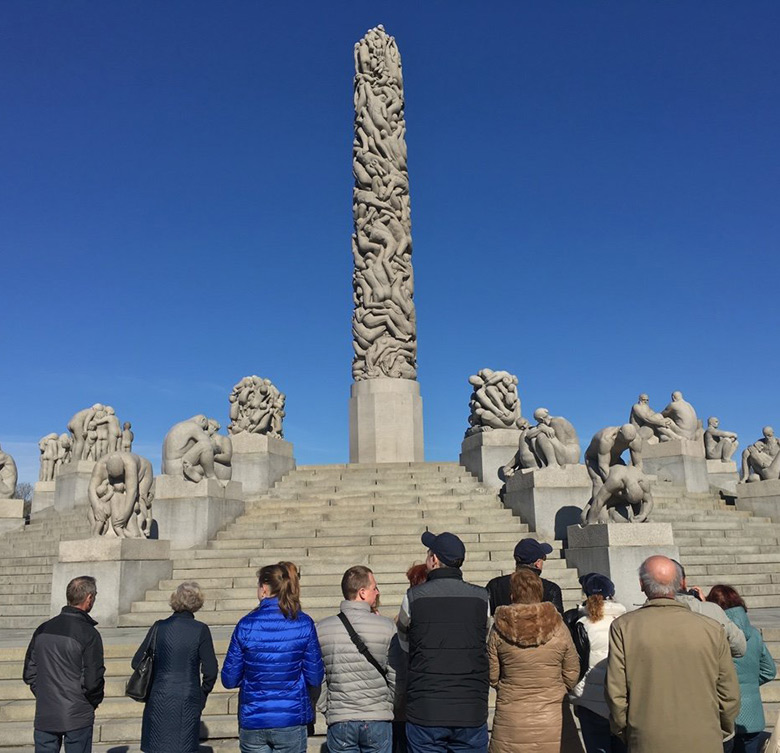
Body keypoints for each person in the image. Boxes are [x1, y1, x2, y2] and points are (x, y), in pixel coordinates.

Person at [606, 555, 740, 752]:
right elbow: (729, 695)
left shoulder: (624, 628)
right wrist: (719, 730)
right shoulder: (711, 629)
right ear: (681, 583)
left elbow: (616, 694)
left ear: (641, 584)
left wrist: (629, 733)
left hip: (647, 738)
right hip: (704, 738)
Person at [397, 532, 490, 753]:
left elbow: (404, 642)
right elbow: (483, 638)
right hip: (470, 708)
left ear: (434, 559)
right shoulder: (481, 598)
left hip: (426, 708)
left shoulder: (414, 597)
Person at [222, 562, 324, 753]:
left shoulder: (245, 625)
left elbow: (229, 679)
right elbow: (315, 676)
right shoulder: (303, 623)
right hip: (290, 718)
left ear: (264, 588)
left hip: (253, 719)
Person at [487, 568, 579, 753]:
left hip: (512, 718)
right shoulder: (558, 626)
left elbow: (492, 675)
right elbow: (572, 672)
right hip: (553, 717)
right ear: (540, 593)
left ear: (512, 595)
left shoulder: (499, 630)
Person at [131, 581, 218, 753]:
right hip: (188, 698)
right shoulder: (200, 629)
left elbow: (137, 662)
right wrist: (202, 694)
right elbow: (211, 671)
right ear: (198, 602)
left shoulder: (159, 627)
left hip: (158, 697)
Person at [317, 566, 396, 753]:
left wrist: (327, 707)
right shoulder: (387, 627)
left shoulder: (322, 628)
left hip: (341, 718)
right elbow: (396, 676)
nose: (377, 592)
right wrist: (386, 704)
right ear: (362, 592)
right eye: (374, 587)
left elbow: (317, 678)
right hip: (377, 717)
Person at [23, 576, 105, 753]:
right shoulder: (89, 634)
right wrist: (90, 703)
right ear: (89, 598)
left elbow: (30, 672)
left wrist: (46, 694)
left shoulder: (43, 628)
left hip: (47, 712)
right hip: (77, 714)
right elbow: (93, 681)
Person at [707, 585, 777, 753]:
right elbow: (769, 670)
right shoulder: (753, 633)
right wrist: (750, 682)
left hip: (723, 715)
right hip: (752, 718)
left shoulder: (714, 633)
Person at [567, 574, 627, 753]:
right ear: (612, 593)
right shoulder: (626, 622)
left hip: (588, 700)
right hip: (621, 699)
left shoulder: (580, 623)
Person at [674, 562, 746, 657]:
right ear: (683, 582)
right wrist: (704, 605)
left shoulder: (648, 617)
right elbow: (740, 648)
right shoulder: (713, 610)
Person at [486, 538, 564, 615]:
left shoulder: (494, 586)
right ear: (538, 563)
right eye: (543, 558)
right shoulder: (551, 589)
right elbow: (559, 623)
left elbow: (486, 617)